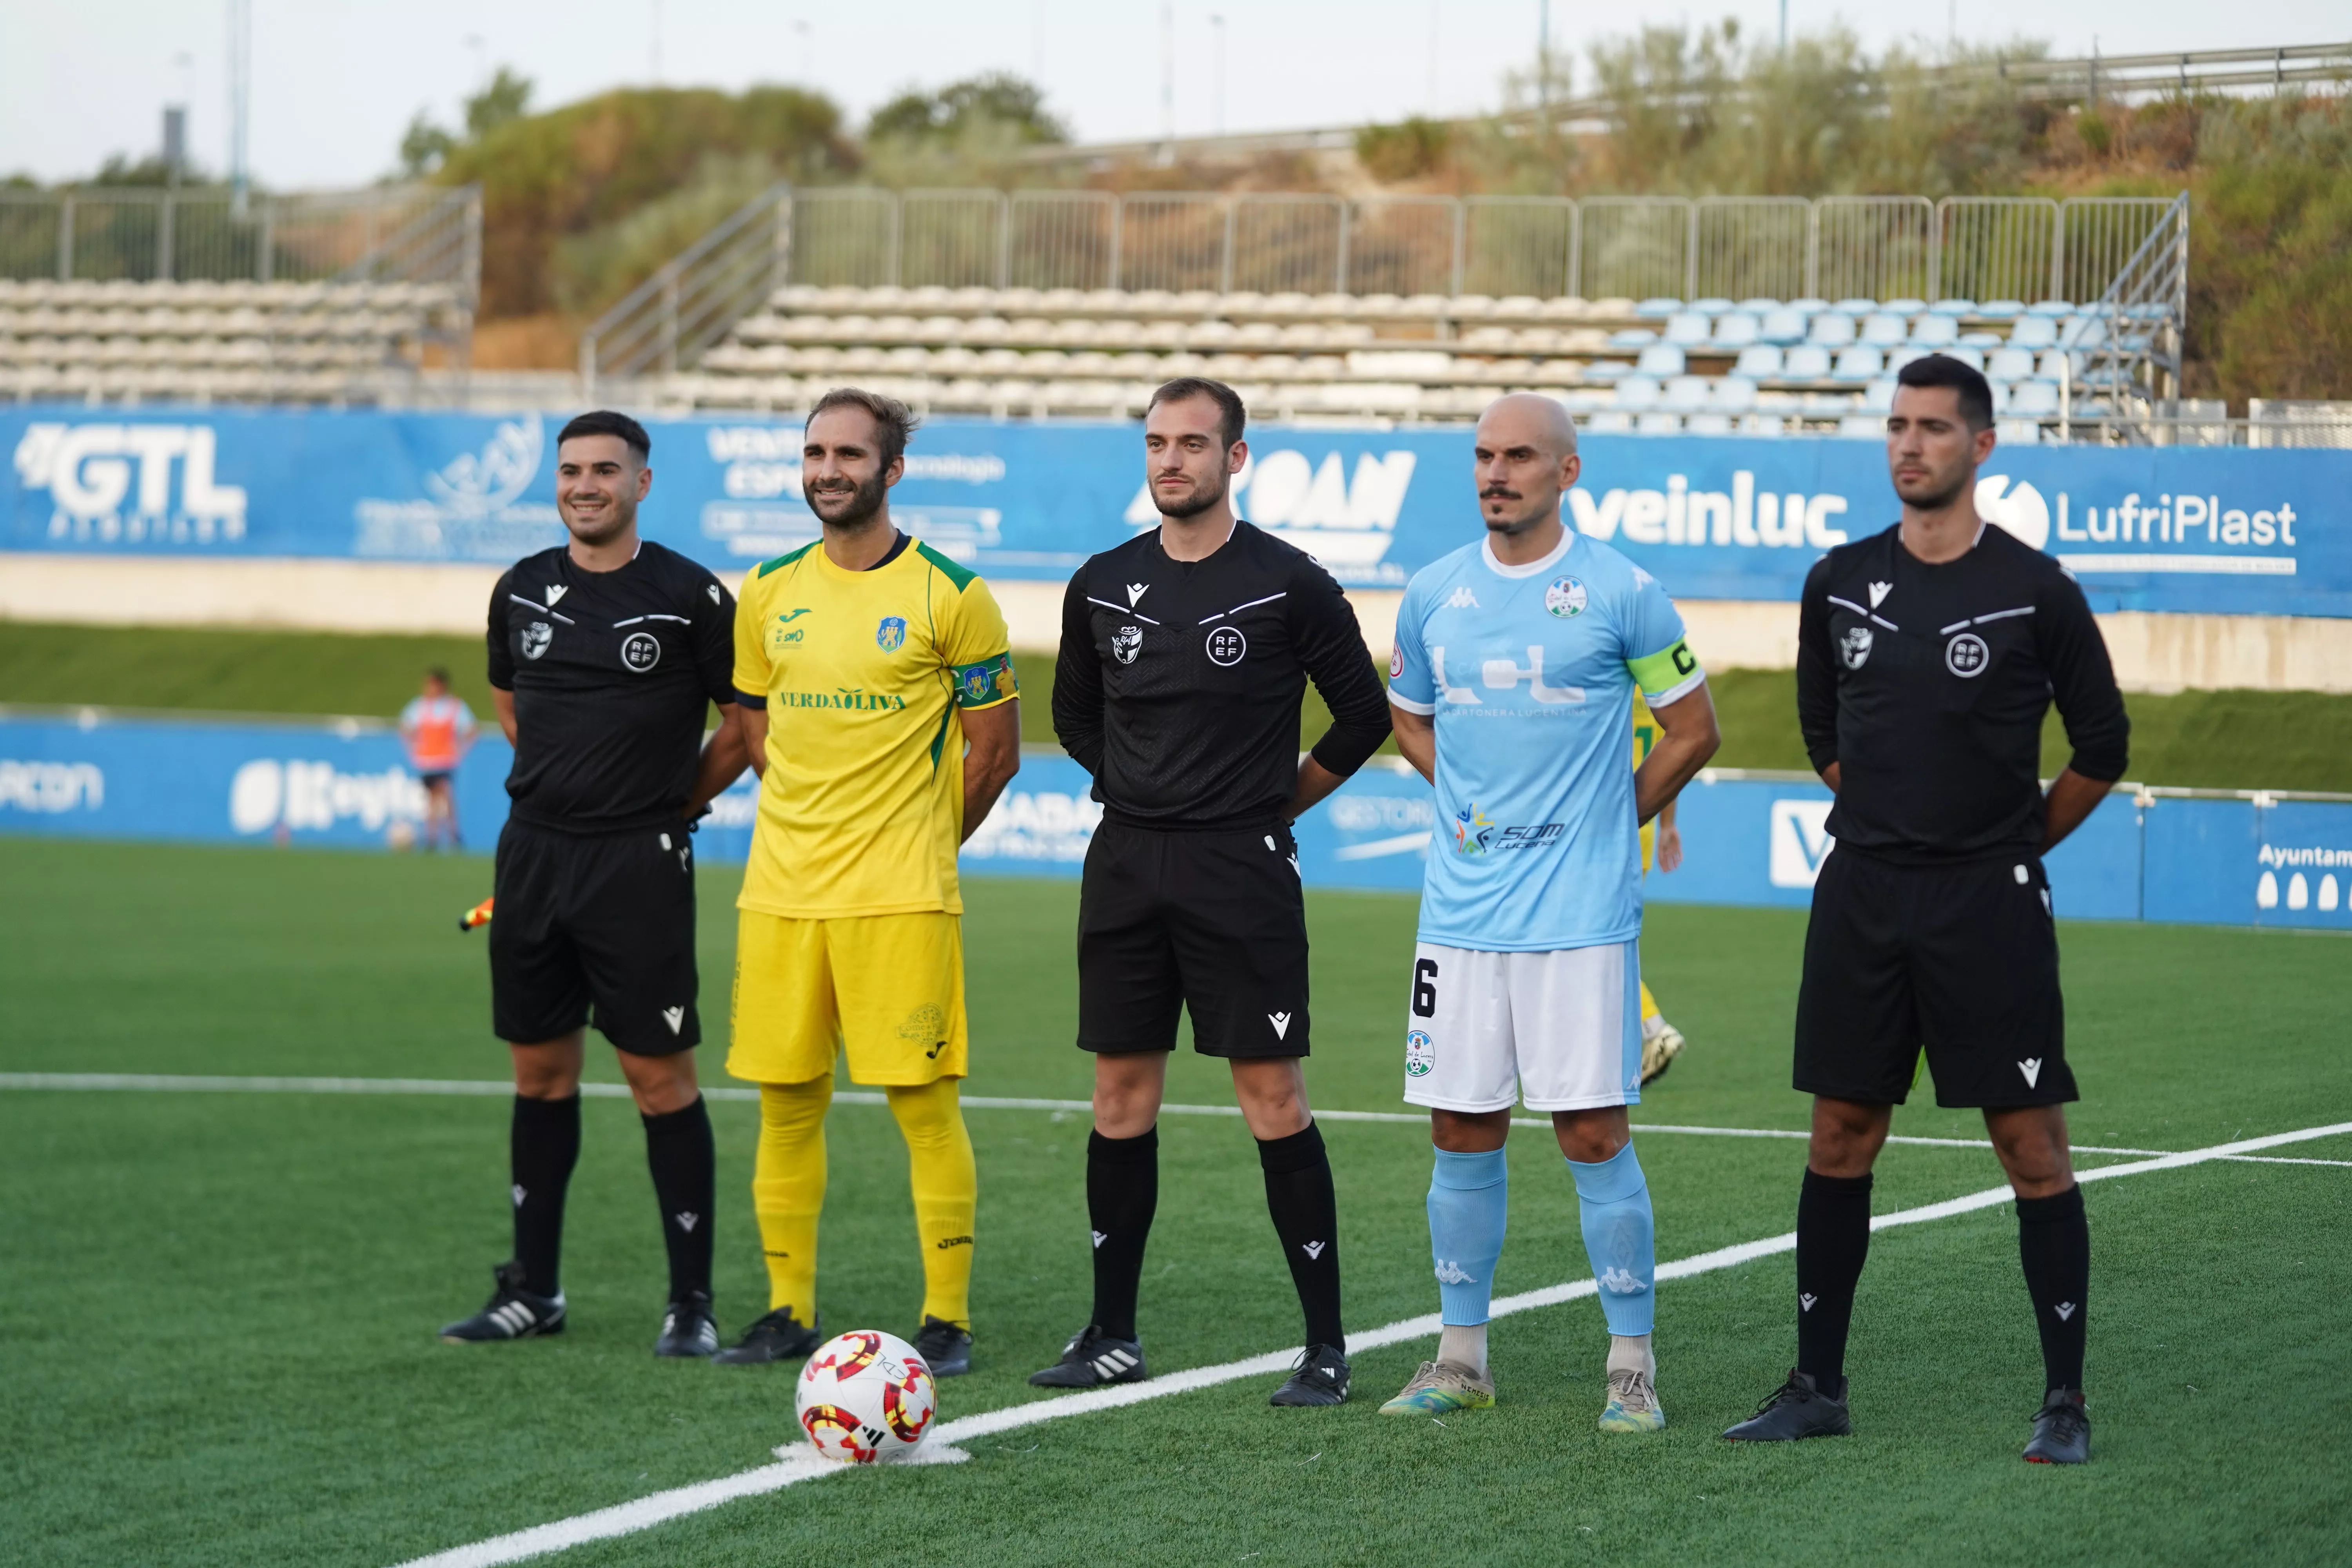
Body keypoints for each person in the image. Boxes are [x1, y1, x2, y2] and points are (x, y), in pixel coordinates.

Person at [1721, 355, 2129, 1463]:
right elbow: (1823, 732)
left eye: (1935, 429)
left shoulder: (2038, 589)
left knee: (2030, 1145)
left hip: (1987, 906)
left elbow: (2104, 747)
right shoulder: (1839, 579)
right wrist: (1891, 824)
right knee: (1841, 1134)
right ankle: (1818, 1385)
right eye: (1897, 426)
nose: (1910, 445)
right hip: (1862, 895)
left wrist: (2014, 843)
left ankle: (2064, 1402)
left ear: (1981, 446)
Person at [1032, 377, 1391, 1406]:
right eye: (1155, 443)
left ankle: (1325, 1347)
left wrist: (1277, 805)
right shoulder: (1101, 582)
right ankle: (1112, 1333)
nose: (1170, 461)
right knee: (1118, 1096)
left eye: (1193, 443)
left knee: (1272, 1098)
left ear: (1237, 459)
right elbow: (1080, 720)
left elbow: (1361, 716)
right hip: (1127, 866)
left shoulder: (1290, 583)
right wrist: (1141, 799)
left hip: (1242, 869)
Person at [1375, 394, 1719, 1430]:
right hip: (1463, 915)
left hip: (1580, 917)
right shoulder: (1432, 593)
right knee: (1460, 1127)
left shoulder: (1624, 591)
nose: (1496, 473)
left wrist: (1611, 820)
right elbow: (1409, 712)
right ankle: (1460, 1358)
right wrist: (1463, 806)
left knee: (1592, 1132)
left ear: (1567, 471)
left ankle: (1630, 1369)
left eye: (1520, 456)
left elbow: (1692, 728)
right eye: (1484, 456)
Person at [713, 389, 1021, 1379]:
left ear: (892, 471)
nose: (827, 469)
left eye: (849, 453)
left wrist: (924, 843)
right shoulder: (763, 589)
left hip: (898, 897)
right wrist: (810, 815)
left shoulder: (953, 594)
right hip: (780, 893)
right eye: (814, 452)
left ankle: (946, 1318)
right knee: (785, 1103)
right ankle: (783, 1308)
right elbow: (755, 724)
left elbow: (996, 753)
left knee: (922, 1105)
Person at [439, 410, 751, 1357]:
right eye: (571, 470)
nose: (585, 485)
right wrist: (565, 789)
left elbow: (739, 730)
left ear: (642, 484)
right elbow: (510, 703)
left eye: (605, 470)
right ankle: (534, 1289)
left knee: (660, 1082)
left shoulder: (691, 597)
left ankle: (690, 1302)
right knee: (539, 1073)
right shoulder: (521, 589)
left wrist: (666, 805)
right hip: (532, 857)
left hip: (638, 864)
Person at [1632, 694, 1689, 1083]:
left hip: (1604, 822)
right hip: (1645, 825)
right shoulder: (1655, 689)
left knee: (1588, 942)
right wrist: (1668, 824)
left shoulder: (1603, 677)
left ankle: (1654, 1028)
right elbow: (1674, 755)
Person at [398, 668, 477, 850]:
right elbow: (405, 727)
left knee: (446, 793)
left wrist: (461, 749)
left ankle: (452, 834)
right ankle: (432, 837)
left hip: (445, 760)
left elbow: (471, 729)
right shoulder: (420, 706)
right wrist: (412, 748)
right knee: (432, 799)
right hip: (426, 761)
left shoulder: (453, 706)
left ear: (441, 686)